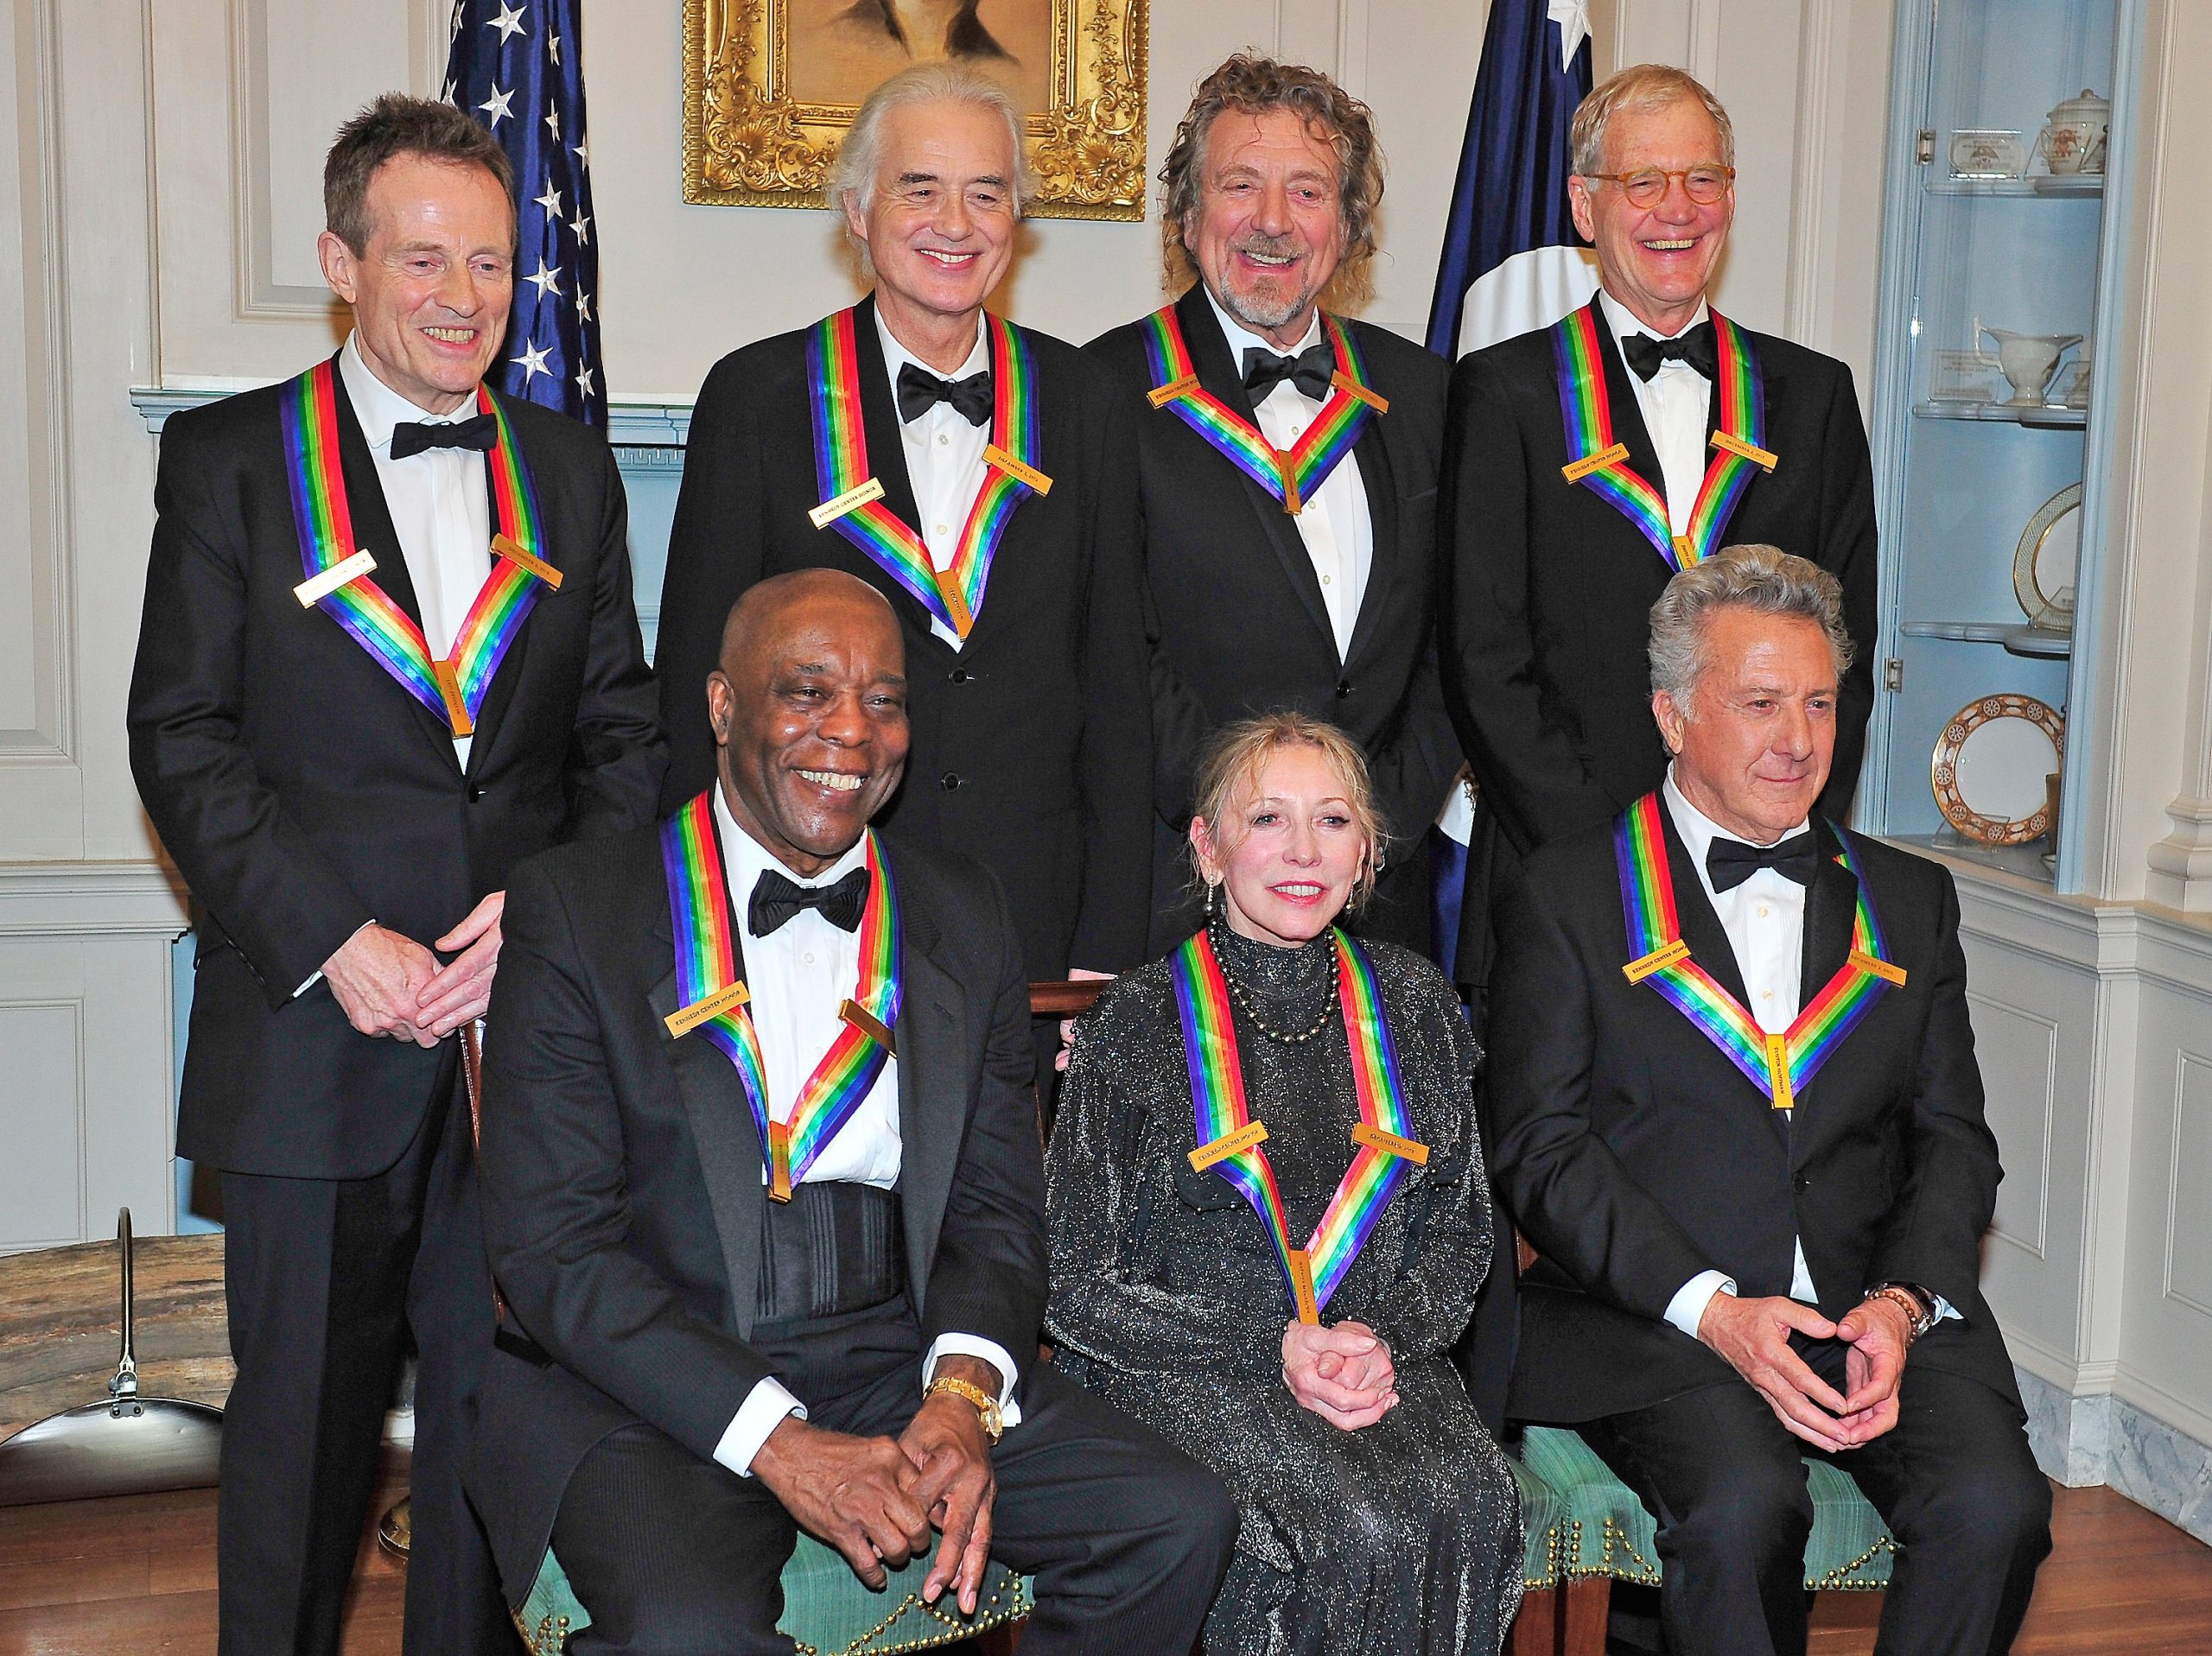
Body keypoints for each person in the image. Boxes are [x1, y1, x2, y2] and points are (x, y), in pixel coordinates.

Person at [125, 94, 664, 1655]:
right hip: (313, 1037)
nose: (462, 297)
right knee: (298, 1443)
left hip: (523, 1041)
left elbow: (622, 740)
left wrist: (545, 921)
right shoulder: (233, 461)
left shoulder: (570, 471)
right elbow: (182, 737)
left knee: (500, 1433)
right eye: (423, 258)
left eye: (490, 262)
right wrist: (334, 939)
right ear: (340, 263)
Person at [467, 568, 1236, 1653]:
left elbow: (995, 1210)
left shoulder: (962, 907)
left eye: (884, 700)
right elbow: (556, 1251)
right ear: (723, 706)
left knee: (1172, 1522)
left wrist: (961, 1395)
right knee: (687, 1631)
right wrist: (780, 1442)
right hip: (655, 1370)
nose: (852, 732)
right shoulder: (578, 906)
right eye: (808, 691)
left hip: (896, 1343)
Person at [1487, 545, 2050, 1656]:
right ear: (1670, 715)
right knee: (1742, 1512)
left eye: (1818, 704)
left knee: (1994, 1510)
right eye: (1758, 703)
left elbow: (1952, 1139)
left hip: (1867, 1303)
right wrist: (1711, 1308)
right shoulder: (1567, 893)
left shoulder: (1911, 898)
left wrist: (1900, 1304)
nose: (1797, 740)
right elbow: (1541, 1148)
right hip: (1662, 1317)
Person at [654, 62, 1152, 1024]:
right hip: (811, 905)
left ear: (1018, 218)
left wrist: (1106, 953)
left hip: (1032, 922)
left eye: (987, 193)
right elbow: (693, 694)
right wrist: (699, 918)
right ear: (857, 209)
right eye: (919, 188)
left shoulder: (1086, 402)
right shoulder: (757, 398)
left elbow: (1118, 700)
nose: (954, 223)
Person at [1045, 713, 1522, 1655]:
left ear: (1367, 853)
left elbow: (1462, 1230)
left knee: (1474, 1499)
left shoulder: (1417, 1003)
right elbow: (1073, 1281)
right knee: (1348, 1528)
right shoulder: (1135, 1018)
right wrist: (1272, 1345)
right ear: (1207, 847)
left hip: (1373, 1357)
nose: (1304, 850)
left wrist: (1377, 1342)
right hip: (1186, 1366)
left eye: (1334, 821)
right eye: (1268, 818)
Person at [1440, 64, 1878, 1009]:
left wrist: (1761, 827)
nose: (1677, 209)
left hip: (1762, 880)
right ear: (1583, 206)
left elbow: (1845, 653)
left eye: (1702, 178)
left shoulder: (1814, 398)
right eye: (1643, 181)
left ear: (1730, 197)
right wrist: (1614, 868)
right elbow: (1483, 661)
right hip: (1560, 884)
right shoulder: (1503, 393)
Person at [1090, 55, 1462, 958]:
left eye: (1307, 191)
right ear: (1187, 216)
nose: (1272, 221)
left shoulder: (1428, 394)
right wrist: (1249, 828)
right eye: (1240, 185)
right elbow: (1112, 653)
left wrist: (1366, 823)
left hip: (1382, 899)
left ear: (1347, 225)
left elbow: (1461, 640)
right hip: (1181, 890)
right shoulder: (1099, 392)